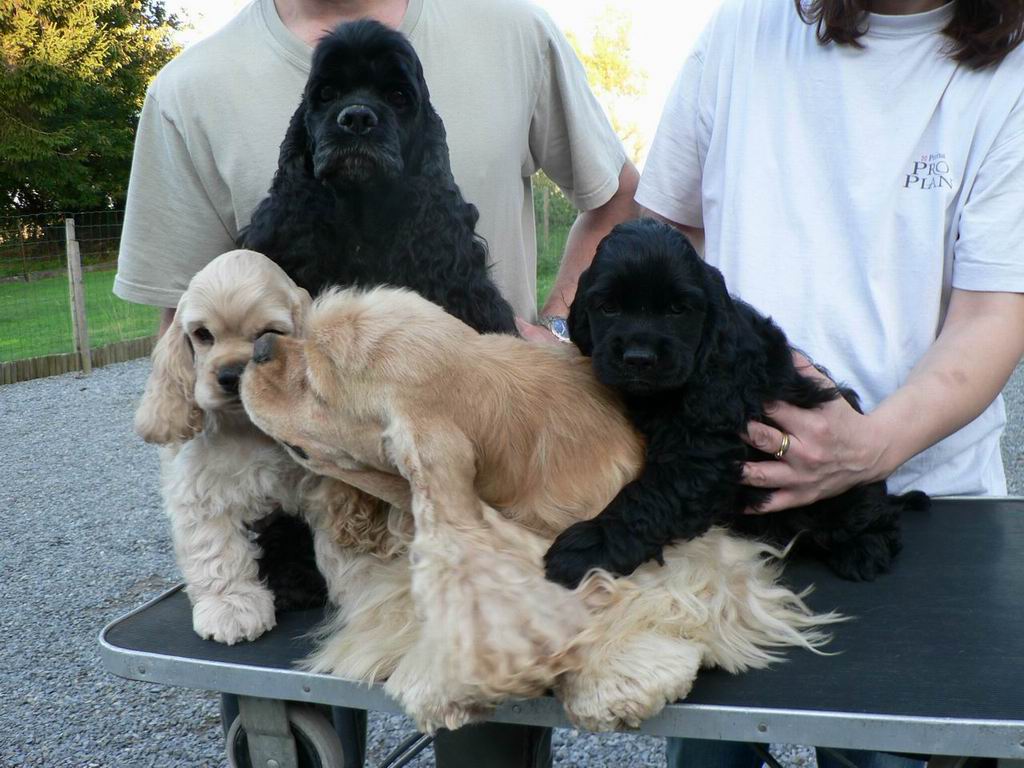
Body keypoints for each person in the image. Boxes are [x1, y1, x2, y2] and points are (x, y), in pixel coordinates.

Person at [114, 0, 638, 766]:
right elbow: (187, 323)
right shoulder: (187, 91)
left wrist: (556, 325)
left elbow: (618, 196)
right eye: (332, 100)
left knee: (491, 741)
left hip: (486, 518)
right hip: (292, 526)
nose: (357, 117)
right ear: (306, 127)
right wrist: (211, 535)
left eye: (390, 99)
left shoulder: (515, 32)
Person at [636, 0, 1024, 766]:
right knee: (710, 750)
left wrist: (866, 448)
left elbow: (991, 316)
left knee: (881, 746)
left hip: (910, 509)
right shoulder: (744, 27)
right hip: (723, 501)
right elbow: (663, 233)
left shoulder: (1012, 74)